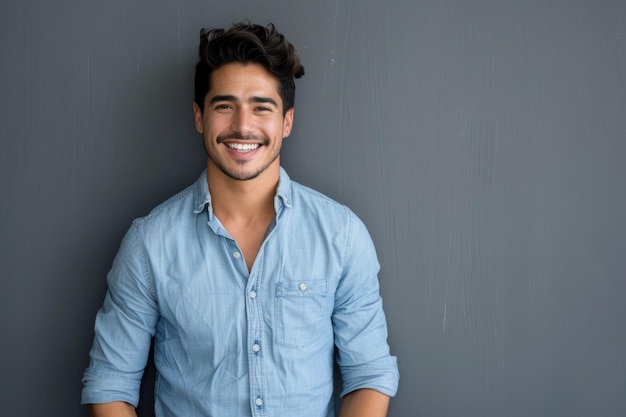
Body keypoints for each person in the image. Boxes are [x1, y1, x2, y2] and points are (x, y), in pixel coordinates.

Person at [82, 21, 399, 417]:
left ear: (287, 121)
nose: (243, 126)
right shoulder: (149, 244)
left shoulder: (343, 236)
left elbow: (368, 375)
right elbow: (111, 382)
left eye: (262, 107)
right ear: (199, 117)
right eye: (224, 105)